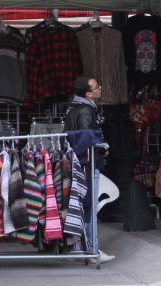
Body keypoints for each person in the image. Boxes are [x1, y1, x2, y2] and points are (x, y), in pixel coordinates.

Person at [64, 76, 115, 264]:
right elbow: (86, 140)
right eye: (97, 86)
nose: (100, 87)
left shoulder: (76, 108)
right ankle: (92, 250)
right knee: (89, 206)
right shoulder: (86, 110)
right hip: (86, 163)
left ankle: (79, 248)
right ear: (88, 93)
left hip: (80, 163)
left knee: (81, 205)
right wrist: (102, 147)